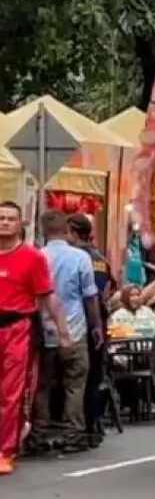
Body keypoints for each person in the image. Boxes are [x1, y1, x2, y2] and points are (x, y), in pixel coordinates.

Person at [0, 202, 73, 476]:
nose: (4, 223)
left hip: (18, 328)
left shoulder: (33, 258)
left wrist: (63, 332)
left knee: (12, 393)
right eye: (1, 218)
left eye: (10, 219)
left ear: (21, 224)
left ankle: (5, 450)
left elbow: (48, 296)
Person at [28, 210, 103, 454]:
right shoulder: (81, 257)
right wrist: (96, 326)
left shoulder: (36, 256)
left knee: (43, 385)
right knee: (75, 384)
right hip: (75, 329)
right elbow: (90, 297)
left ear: (43, 231)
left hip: (43, 331)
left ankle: (39, 434)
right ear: (66, 231)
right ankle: (73, 434)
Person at [67, 213, 112, 448]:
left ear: (73, 232)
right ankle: (94, 425)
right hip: (100, 324)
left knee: (78, 379)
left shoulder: (75, 257)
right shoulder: (101, 259)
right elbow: (107, 293)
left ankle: (78, 427)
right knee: (95, 376)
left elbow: (90, 296)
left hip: (81, 323)